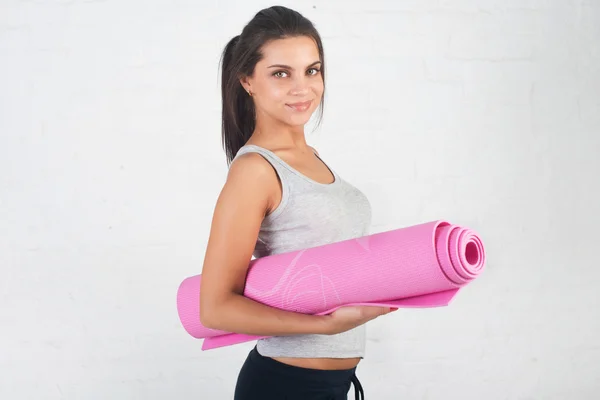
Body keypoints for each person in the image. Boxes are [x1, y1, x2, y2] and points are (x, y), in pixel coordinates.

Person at [199, 6, 394, 400]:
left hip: (333, 386)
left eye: (312, 70)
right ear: (247, 81)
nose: (302, 87)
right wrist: (326, 326)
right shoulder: (255, 169)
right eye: (280, 73)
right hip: (284, 385)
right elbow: (215, 308)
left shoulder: (312, 159)